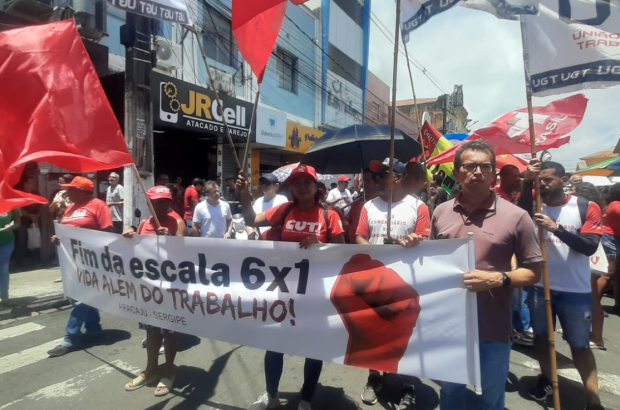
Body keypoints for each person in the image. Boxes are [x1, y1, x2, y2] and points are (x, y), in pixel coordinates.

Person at [431, 141, 542, 410]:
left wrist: (498, 279)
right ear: (457, 173)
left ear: (494, 173)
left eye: (485, 166)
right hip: (449, 328)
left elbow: (535, 273)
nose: (478, 171)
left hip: (494, 328)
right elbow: (432, 263)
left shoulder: (517, 217)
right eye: (470, 166)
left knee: (492, 401)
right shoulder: (440, 212)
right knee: (450, 395)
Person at [236, 164, 345, 410]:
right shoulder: (284, 210)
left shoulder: (330, 216)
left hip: (317, 296)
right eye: (297, 182)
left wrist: (321, 245)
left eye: (307, 182)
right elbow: (251, 219)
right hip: (283, 292)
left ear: (317, 187)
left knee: (313, 349)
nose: (302, 186)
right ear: (292, 188)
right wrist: (243, 194)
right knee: (275, 345)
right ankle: (272, 395)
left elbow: (343, 253)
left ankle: (306, 399)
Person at [519, 160, 604, 410]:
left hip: (575, 291)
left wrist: (556, 229)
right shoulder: (535, 204)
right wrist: (527, 181)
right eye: (539, 180)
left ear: (563, 180)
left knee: (579, 345)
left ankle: (593, 399)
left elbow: (588, 247)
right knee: (542, 339)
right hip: (539, 286)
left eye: (548, 179)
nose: (542, 184)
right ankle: (546, 378)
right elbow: (518, 213)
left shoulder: (585, 206)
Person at [355, 157, 430, 409]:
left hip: (407, 282)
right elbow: (359, 236)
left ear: (398, 178)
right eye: (377, 176)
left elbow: (425, 239)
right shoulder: (369, 206)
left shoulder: (418, 206)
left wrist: (413, 240)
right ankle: (374, 377)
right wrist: (376, 254)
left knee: (406, 334)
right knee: (374, 331)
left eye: (383, 175)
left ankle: (408, 383)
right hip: (375, 281)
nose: (377, 180)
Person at [123, 185, 186, 396]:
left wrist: (170, 238)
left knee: (169, 331)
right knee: (151, 330)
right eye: (157, 202)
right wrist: (129, 239)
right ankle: (150, 369)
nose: (162, 205)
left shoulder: (177, 222)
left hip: (170, 287)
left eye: (166, 201)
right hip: (149, 287)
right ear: (149, 203)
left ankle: (168, 371)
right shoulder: (143, 223)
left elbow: (184, 253)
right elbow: (137, 253)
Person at [47, 176, 114, 357]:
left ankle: (71, 337)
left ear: (82, 191)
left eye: (71, 189)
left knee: (80, 297)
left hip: (90, 259)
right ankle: (93, 329)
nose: (67, 192)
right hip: (72, 259)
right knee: (86, 295)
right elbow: (66, 230)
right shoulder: (71, 207)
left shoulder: (98, 205)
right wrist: (58, 239)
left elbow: (107, 232)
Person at [573, 182, 610, 350]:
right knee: (587, 296)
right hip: (586, 254)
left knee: (592, 297)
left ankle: (596, 337)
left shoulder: (588, 209)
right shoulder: (594, 207)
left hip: (587, 255)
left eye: (573, 192)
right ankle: (588, 332)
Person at [348, 168, 380, 244]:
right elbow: (349, 220)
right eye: (363, 181)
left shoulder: (382, 204)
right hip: (353, 248)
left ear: (377, 182)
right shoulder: (357, 202)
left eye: (367, 181)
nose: (363, 184)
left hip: (370, 249)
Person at [602, 183, 620, 317]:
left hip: (615, 239)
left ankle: (618, 306)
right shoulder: (615, 206)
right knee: (609, 273)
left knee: (617, 276)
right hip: (611, 240)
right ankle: (593, 303)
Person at [252, 173, 288, 238]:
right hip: (259, 240)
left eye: (267, 183)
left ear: (276, 186)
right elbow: (251, 220)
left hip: (275, 241)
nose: (264, 185)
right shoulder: (257, 201)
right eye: (262, 183)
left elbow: (286, 222)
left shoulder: (282, 200)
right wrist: (249, 229)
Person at [0, 209, 21, 304]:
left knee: (3, 269)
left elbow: (17, 222)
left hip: (6, 241)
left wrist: (11, 226)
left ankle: (4, 297)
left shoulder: (11, 204)